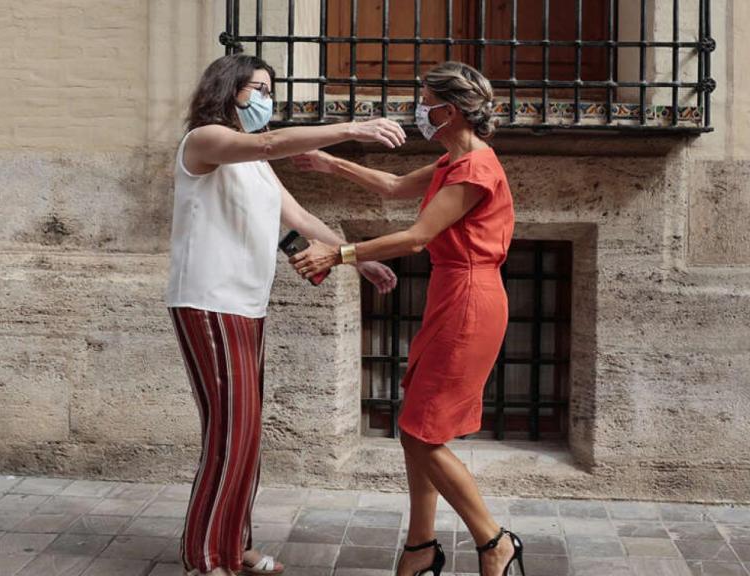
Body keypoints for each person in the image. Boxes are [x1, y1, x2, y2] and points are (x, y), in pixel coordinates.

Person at [168, 53, 403, 576]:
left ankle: (234, 546)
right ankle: (205, 560)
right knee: (230, 433)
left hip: (246, 304)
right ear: (228, 91)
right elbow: (270, 140)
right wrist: (352, 128)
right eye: (257, 88)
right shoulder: (205, 141)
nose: (267, 99)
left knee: (245, 434)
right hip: (207, 301)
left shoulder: (256, 165)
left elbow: (298, 218)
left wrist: (354, 259)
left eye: (271, 90)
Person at [290, 61, 524, 576]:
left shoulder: (475, 168)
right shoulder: (453, 160)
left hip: (468, 295)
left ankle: (494, 541)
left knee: (421, 431)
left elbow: (417, 236)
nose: (418, 110)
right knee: (415, 423)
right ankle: (420, 546)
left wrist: (339, 254)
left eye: (425, 101)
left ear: (451, 110)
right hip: (453, 293)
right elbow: (394, 185)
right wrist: (332, 164)